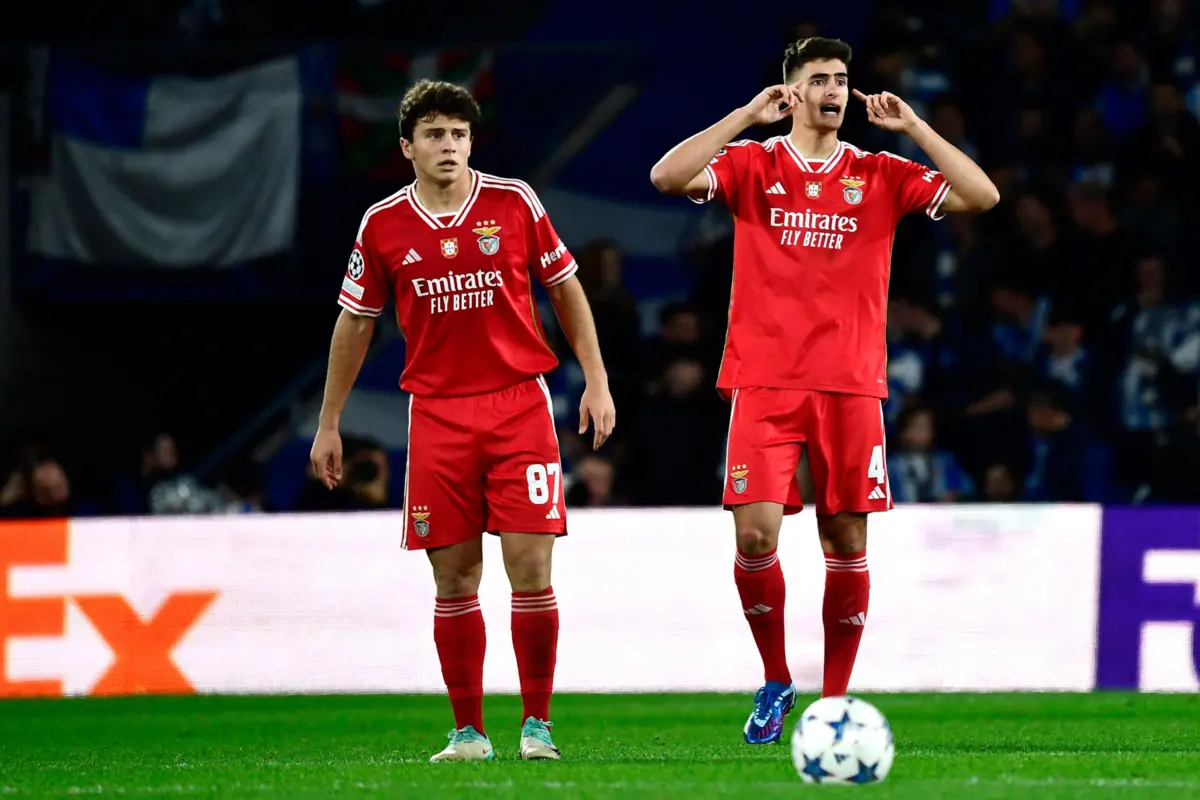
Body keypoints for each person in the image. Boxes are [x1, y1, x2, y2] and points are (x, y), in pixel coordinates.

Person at [649, 37, 998, 744]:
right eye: (819, 79)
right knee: (755, 534)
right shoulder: (754, 163)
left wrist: (916, 127)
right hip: (764, 379)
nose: (835, 90)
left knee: (844, 538)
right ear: (791, 93)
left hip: (850, 383)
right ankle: (776, 678)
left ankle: (834, 701)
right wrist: (744, 118)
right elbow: (666, 176)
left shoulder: (879, 171)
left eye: (841, 79)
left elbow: (981, 195)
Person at [310, 79, 616, 763]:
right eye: (434, 134)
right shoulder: (382, 224)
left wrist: (596, 380)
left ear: (472, 141)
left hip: (519, 406)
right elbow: (355, 323)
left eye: (458, 133)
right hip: (438, 418)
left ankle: (537, 725)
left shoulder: (513, 202)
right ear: (407, 147)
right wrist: (330, 421)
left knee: (531, 569)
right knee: (453, 579)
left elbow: (564, 287)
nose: (448, 145)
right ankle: (468, 733)